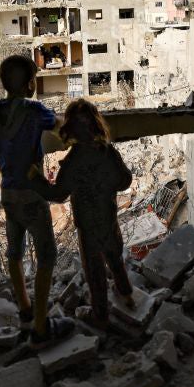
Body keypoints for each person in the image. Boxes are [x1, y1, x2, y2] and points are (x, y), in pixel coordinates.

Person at [0, 54, 74, 346]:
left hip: (8, 194)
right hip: (32, 195)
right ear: (29, 85)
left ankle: (25, 309)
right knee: (46, 255)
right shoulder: (36, 111)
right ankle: (40, 327)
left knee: (15, 252)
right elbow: (61, 127)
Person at [56, 99, 136, 327]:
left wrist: (34, 180)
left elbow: (59, 194)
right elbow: (124, 180)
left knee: (94, 270)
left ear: (69, 128)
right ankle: (127, 295)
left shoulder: (72, 161)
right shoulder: (107, 152)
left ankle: (100, 314)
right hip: (108, 218)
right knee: (114, 258)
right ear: (96, 124)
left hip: (87, 225)